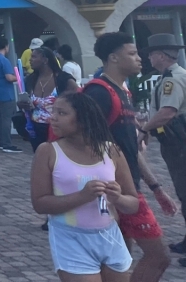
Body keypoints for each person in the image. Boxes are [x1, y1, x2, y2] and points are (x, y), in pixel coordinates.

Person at [84, 32, 170, 282]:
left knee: (120, 259)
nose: (139, 59)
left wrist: (156, 187)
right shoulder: (99, 93)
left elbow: (129, 148)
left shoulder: (123, 92)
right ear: (113, 58)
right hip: (114, 189)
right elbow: (86, 143)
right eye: (131, 54)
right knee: (158, 256)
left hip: (129, 187)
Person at [30, 92, 137, 281]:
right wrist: (82, 196)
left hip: (110, 235)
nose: (53, 118)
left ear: (83, 119)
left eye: (62, 113)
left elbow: (133, 203)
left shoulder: (111, 150)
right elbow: (40, 204)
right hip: (71, 238)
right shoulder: (47, 151)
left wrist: (118, 198)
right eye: (53, 112)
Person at [139, 33, 186, 258]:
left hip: (180, 143)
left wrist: (144, 129)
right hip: (176, 143)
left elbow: (167, 112)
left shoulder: (171, 80)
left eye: (151, 53)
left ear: (162, 55)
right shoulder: (169, 77)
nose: (148, 57)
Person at [18, 47, 79, 152]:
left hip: (58, 130)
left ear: (45, 60)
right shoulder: (31, 80)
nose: (30, 60)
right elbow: (27, 99)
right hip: (36, 129)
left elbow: (77, 101)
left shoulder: (63, 79)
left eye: (34, 56)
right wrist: (23, 105)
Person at [0, 37, 21, 153]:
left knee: (1, 118)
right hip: (5, 92)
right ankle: (7, 143)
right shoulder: (4, 60)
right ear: (6, 46)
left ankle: (2, 142)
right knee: (6, 118)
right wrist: (19, 78)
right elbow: (9, 77)